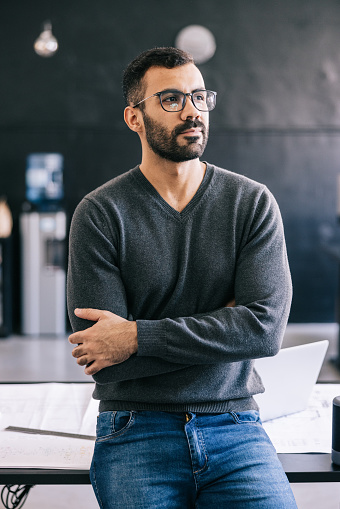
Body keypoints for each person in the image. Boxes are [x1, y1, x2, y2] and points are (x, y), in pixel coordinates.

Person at [67, 47, 297, 508]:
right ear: (134, 117)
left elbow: (265, 330)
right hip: (135, 426)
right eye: (171, 99)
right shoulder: (100, 213)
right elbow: (103, 355)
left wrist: (135, 336)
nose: (192, 110)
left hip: (234, 426)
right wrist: (224, 324)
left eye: (199, 96)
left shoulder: (250, 203)